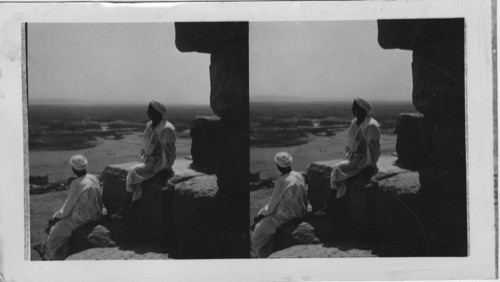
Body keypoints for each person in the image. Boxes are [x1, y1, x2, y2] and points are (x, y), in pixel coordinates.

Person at [112, 100, 177, 220]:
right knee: (137, 182)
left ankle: (125, 209)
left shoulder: (166, 129)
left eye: (150, 111)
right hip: (146, 160)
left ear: (158, 113)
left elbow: (169, 154)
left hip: (157, 163)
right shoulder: (149, 125)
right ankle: (132, 212)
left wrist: (163, 169)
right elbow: (144, 146)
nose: (147, 112)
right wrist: (141, 160)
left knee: (132, 172)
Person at [320, 97, 381, 214]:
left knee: (337, 169)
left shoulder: (371, 126)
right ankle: (337, 205)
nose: (352, 109)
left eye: (355, 107)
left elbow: (374, 151)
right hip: (352, 158)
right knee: (342, 174)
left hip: (362, 160)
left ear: (362, 109)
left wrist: (367, 167)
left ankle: (331, 204)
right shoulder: (354, 122)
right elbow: (350, 143)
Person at [45, 154, 103, 260]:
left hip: (84, 217)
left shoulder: (77, 184)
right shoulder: (93, 177)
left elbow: (67, 208)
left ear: (73, 169)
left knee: (53, 237)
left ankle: (60, 258)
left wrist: (56, 216)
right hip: (96, 213)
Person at [251, 152, 308, 258]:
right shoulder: (299, 175)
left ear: (278, 166)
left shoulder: (282, 181)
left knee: (256, 236)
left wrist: (259, 215)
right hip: (301, 211)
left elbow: (271, 206)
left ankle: (265, 257)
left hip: (287, 215)